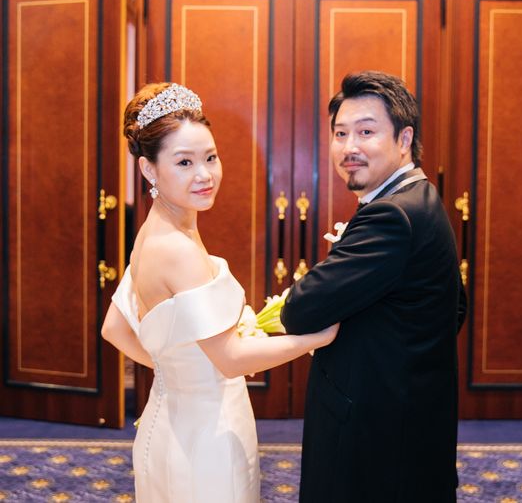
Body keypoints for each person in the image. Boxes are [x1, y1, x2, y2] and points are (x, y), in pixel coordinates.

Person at [101, 82, 338, 503]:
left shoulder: (150, 235)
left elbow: (114, 327)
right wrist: (316, 338)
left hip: (170, 422)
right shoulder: (177, 250)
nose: (205, 174)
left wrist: (179, 371)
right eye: (184, 162)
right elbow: (230, 360)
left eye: (210, 157)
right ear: (149, 170)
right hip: (206, 442)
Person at [281, 71, 467, 502]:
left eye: (366, 132)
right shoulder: (422, 198)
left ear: (404, 139)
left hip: (375, 433)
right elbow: (455, 306)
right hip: (408, 418)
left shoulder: (391, 216)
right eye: (340, 133)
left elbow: (300, 310)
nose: (350, 147)